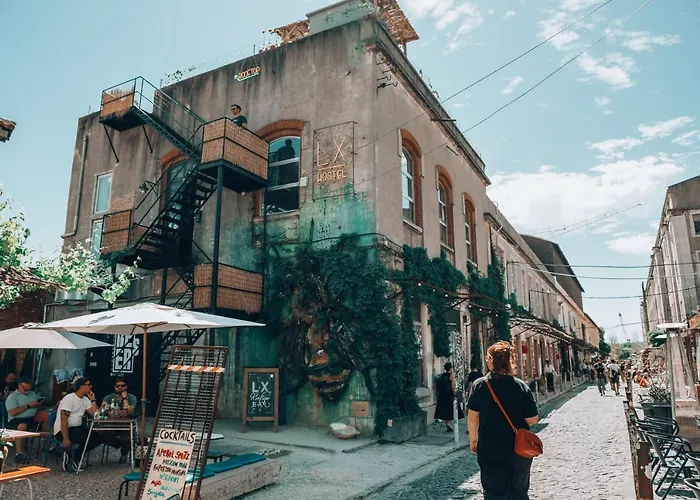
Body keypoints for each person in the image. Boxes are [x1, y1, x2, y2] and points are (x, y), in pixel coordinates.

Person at [467, 341, 539, 499]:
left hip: (490, 448)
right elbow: (533, 419)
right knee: (519, 493)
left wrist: (473, 441)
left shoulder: (480, 385)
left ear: (491, 360)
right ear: (510, 361)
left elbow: (472, 418)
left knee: (494, 494)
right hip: (518, 449)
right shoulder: (520, 386)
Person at [54, 377, 101, 472]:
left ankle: (75, 456)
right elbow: (63, 419)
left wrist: (93, 400)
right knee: (88, 438)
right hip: (64, 429)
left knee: (97, 438)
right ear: (81, 386)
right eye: (88, 385)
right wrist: (66, 438)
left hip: (77, 428)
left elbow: (95, 415)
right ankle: (72, 458)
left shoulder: (85, 400)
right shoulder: (69, 398)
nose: (90, 387)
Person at [5, 377, 43, 462]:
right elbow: (13, 412)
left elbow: (40, 403)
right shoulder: (12, 397)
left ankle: (54, 447)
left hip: (33, 418)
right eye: (25, 388)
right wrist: (28, 406)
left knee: (47, 424)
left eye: (28, 389)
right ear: (20, 386)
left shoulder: (33, 394)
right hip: (16, 419)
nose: (26, 391)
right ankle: (19, 453)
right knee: (22, 426)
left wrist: (39, 403)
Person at [100, 377, 137, 463]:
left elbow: (128, 411)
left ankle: (124, 453)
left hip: (126, 424)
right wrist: (111, 411)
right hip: (111, 424)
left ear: (126, 387)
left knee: (127, 439)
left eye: (122, 386)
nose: (120, 387)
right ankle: (118, 444)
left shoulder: (131, 398)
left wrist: (124, 399)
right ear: (114, 387)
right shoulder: (109, 397)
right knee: (100, 434)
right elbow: (102, 410)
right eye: (117, 386)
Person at [434, 362, 463, 432]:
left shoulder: (442, 375)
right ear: (450, 368)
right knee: (452, 409)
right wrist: (454, 393)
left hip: (442, 395)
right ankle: (451, 424)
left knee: (445, 410)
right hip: (449, 394)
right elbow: (453, 385)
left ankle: (447, 424)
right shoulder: (451, 375)